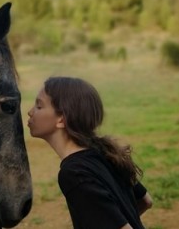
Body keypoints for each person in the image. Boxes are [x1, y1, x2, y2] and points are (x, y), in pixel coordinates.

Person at [27, 76, 153, 229]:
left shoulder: (74, 174)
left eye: (39, 106)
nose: (30, 112)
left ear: (61, 119)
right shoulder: (104, 152)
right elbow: (145, 201)